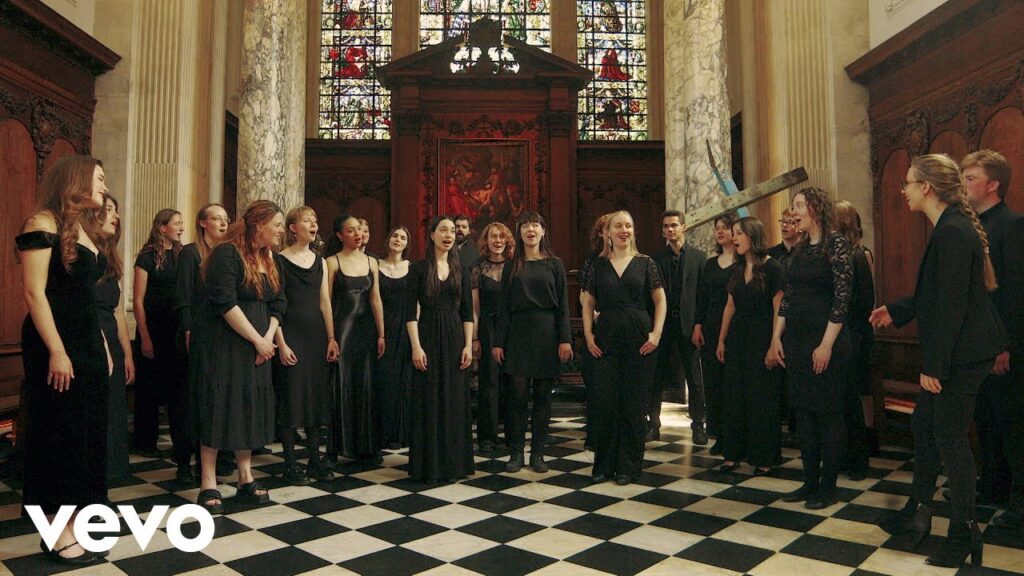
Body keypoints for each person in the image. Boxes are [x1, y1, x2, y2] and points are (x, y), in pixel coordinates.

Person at [870, 154, 1006, 567]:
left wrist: (934, 366)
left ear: (927, 187)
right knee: (924, 424)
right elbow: (937, 294)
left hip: (962, 356)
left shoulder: (952, 231)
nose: (904, 190)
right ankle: (918, 512)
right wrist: (898, 309)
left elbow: (950, 306)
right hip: (961, 350)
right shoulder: (950, 227)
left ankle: (963, 533)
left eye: (909, 183)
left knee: (950, 440)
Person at [18, 155, 109, 564]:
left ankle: (71, 526)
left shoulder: (80, 228)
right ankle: (55, 533)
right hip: (55, 341)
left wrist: (103, 346)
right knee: (56, 432)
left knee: (83, 436)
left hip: (86, 342)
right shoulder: (41, 223)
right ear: (77, 180)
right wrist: (57, 350)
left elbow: (88, 298)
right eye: (99, 179)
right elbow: (35, 293)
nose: (104, 187)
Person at [196, 200, 286, 513]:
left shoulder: (269, 258)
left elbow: (278, 303)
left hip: (258, 346)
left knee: (248, 406)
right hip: (226, 346)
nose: (280, 231)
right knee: (220, 405)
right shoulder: (227, 253)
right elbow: (224, 302)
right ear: (258, 224)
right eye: (276, 224)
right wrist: (256, 340)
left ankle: (245, 477)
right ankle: (208, 482)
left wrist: (267, 338)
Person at [767, 187, 852, 510]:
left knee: (828, 414)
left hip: (826, 341)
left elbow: (842, 300)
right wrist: (777, 337)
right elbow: (788, 297)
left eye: (799, 205)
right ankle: (809, 481)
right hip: (798, 342)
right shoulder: (801, 249)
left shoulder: (837, 244)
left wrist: (826, 345)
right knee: (804, 415)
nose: (794, 211)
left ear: (815, 208)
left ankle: (828, 486)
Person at [961, 150, 1024, 528]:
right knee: (985, 419)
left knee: (1012, 422)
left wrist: (1005, 345)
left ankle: (1020, 499)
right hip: (977, 346)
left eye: (970, 178)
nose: (964, 184)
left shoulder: (1012, 225)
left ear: (993, 184)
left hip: (1003, 345)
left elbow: (1014, 293)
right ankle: (994, 485)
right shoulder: (972, 226)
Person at [583, 210, 666, 485]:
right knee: (605, 403)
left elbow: (660, 300)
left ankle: (628, 467)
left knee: (634, 405)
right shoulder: (597, 265)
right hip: (605, 337)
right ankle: (604, 465)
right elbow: (587, 303)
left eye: (628, 225)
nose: (624, 230)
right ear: (607, 232)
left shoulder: (646, 263)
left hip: (639, 339)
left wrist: (656, 334)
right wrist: (588, 335)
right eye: (618, 226)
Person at [492, 213, 572, 473]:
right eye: (525, 225)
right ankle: (516, 452)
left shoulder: (555, 264)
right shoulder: (511, 265)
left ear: (542, 230)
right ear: (520, 232)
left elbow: (563, 306)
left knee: (542, 398)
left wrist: (565, 339)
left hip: (547, 332)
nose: (530, 229)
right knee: (516, 397)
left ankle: (538, 454)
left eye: (535, 225)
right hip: (518, 333)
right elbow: (503, 307)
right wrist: (498, 342)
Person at [405, 216, 475, 483]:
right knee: (429, 399)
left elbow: (468, 312)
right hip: (427, 336)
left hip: (456, 336)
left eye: (452, 231)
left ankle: (454, 465)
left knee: (455, 400)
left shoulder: (462, 270)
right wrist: (416, 347)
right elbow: (410, 313)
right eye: (443, 230)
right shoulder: (419, 269)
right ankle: (428, 466)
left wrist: (468, 345)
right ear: (432, 235)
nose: (449, 234)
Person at [273, 207, 338, 484]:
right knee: (290, 398)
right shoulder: (277, 260)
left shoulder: (320, 262)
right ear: (292, 228)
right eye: (307, 220)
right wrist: (281, 343)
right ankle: (290, 463)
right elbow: (274, 305)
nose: (314, 224)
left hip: (315, 335)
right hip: (289, 333)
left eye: (315, 219)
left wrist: (332, 337)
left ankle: (315, 461)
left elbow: (325, 301)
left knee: (315, 398)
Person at [716, 217, 783, 476]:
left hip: (762, 335)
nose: (734, 238)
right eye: (733, 233)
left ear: (753, 236)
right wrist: (721, 339)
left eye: (739, 233)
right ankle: (733, 454)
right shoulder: (736, 269)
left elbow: (779, 307)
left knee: (761, 398)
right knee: (734, 396)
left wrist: (774, 343)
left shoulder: (773, 268)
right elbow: (729, 306)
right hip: (737, 338)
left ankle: (763, 457)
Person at [175, 203, 234, 479]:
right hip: (197, 333)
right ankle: (187, 462)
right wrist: (187, 330)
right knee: (194, 397)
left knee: (218, 396)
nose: (224, 223)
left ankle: (218, 456)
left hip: (222, 334)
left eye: (226, 219)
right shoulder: (190, 252)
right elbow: (183, 297)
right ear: (202, 223)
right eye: (217, 219)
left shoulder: (227, 253)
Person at [132, 209, 189, 478]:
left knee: (177, 388)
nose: (182, 227)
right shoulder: (146, 257)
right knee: (149, 390)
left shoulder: (183, 255)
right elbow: (138, 300)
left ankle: (181, 445)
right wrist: (144, 336)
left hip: (176, 329)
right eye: (177, 223)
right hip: (153, 328)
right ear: (162, 227)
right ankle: (146, 441)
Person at [326, 214, 386, 466]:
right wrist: (330, 336)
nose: (357, 234)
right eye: (351, 230)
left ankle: (367, 447)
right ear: (340, 235)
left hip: (367, 331)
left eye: (359, 230)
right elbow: (326, 303)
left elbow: (375, 299)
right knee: (342, 386)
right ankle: (338, 447)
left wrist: (382, 333)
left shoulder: (372, 261)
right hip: (343, 331)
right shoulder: (331, 261)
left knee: (367, 385)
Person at [88, 195, 135, 481]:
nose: (116, 216)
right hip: (91, 336)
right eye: (109, 210)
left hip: (112, 339)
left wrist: (127, 354)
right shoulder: (82, 255)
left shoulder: (109, 259)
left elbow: (118, 312)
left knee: (113, 409)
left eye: (116, 210)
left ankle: (110, 472)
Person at [651, 210, 706, 444]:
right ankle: (652, 424)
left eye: (674, 225)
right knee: (656, 376)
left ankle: (698, 425)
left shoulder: (698, 257)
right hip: (663, 325)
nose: (670, 230)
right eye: (666, 226)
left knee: (694, 377)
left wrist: (698, 325)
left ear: (683, 227)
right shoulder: (655, 258)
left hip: (688, 324)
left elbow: (702, 295)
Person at [834, 201, 875, 480]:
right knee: (842, 398)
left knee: (852, 398)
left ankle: (859, 459)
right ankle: (845, 455)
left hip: (855, 334)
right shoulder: (839, 254)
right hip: (846, 333)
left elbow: (863, 300)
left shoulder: (860, 255)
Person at [692, 213, 738, 451]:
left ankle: (734, 436)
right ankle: (718, 434)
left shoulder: (742, 262)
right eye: (717, 228)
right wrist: (697, 325)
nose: (719, 232)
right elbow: (703, 298)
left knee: (732, 383)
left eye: (725, 228)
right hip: (710, 326)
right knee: (713, 382)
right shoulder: (711, 264)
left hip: (734, 327)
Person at [472, 222, 513, 452]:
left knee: (512, 381)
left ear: (507, 241)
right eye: (493, 237)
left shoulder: (515, 266)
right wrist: (475, 338)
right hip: (487, 327)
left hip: (511, 328)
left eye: (501, 237)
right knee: (488, 382)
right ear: (485, 241)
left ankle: (511, 433)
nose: (497, 240)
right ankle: (487, 436)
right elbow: (475, 308)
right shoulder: (477, 269)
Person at [377, 226, 413, 450]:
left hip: (405, 325)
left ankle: (402, 433)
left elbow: (416, 301)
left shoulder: (413, 267)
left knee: (404, 379)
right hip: (381, 326)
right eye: (394, 236)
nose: (398, 240)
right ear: (388, 239)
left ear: (407, 244)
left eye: (403, 237)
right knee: (383, 379)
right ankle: (383, 432)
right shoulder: (375, 265)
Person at [579, 213, 611, 450]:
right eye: (605, 229)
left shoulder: (636, 260)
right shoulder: (592, 261)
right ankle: (595, 431)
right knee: (596, 383)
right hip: (597, 326)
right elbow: (585, 295)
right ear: (600, 233)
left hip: (619, 325)